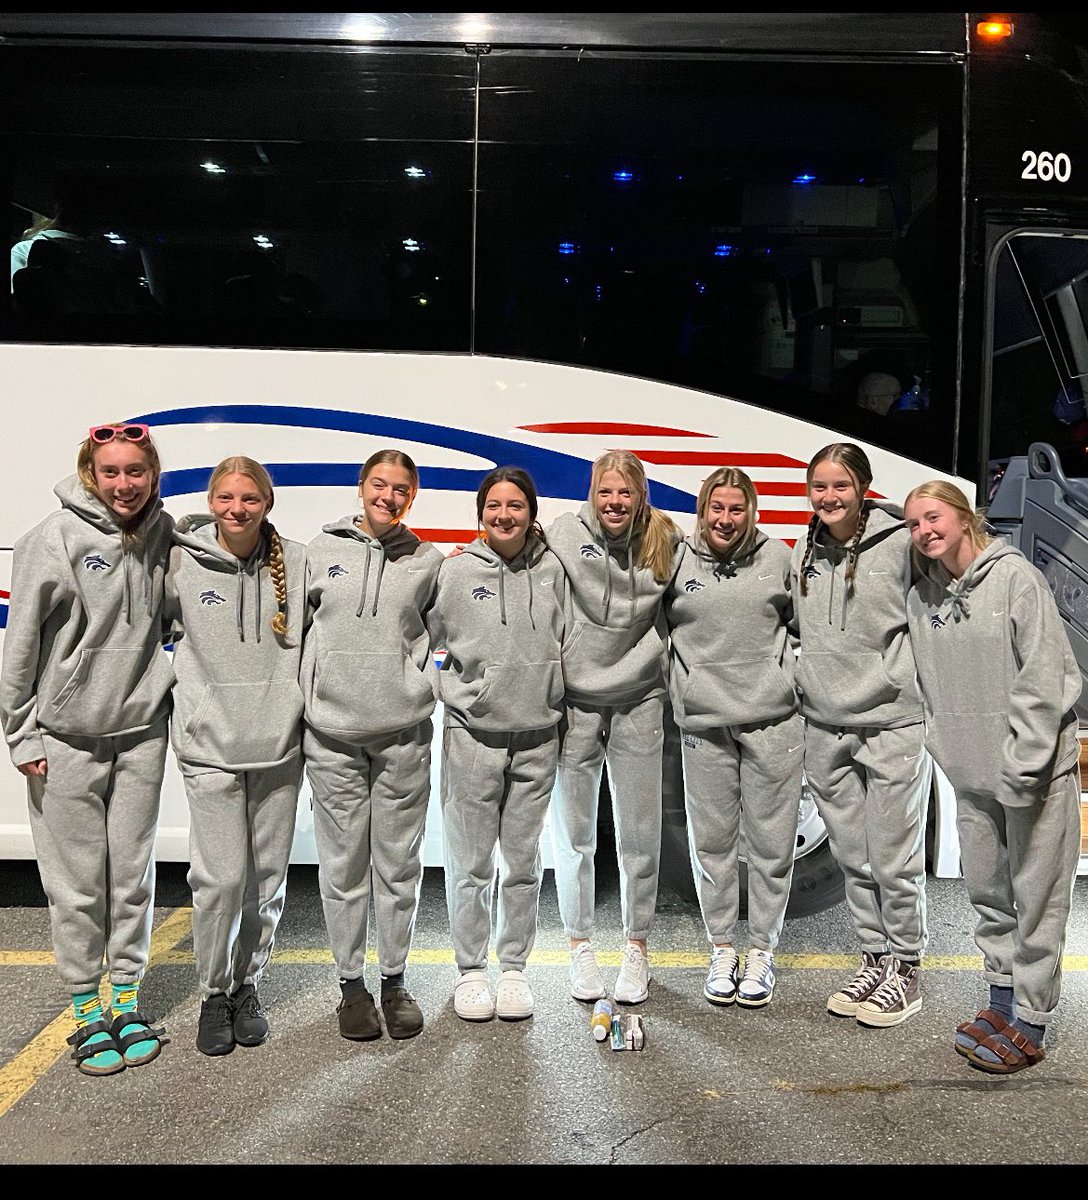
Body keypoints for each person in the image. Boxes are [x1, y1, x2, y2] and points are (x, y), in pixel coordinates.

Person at [0, 422, 174, 1076]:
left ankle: (126, 1001)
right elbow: (19, 653)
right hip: (64, 743)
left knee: (130, 881)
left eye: (136, 471)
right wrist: (22, 735)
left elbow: (182, 620)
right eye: (111, 472)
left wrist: (168, 678)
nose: (124, 484)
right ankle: (84, 1012)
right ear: (90, 474)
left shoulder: (164, 535)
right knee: (76, 888)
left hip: (138, 738)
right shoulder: (53, 539)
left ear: (153, 473)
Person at [904, 480, 1082, 1074]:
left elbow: (1047, 677)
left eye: (933, 517)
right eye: (913, 524)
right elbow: (922, 677)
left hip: (1033, 774)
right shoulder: (923, 596)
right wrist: (943, 742)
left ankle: (1030, 1017)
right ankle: (1001, 1000)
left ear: (963, 516)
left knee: (1038, 899)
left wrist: (1026, 763)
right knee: (989, 896)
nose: (924, 531)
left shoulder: (1015, 580)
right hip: (971, 770)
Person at [165, 456, 306, 1057]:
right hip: (209, 747)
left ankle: (248, 984)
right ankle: (213, 992)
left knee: (266, 881)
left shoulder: (296, 562)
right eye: (226, 497)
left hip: (278, 744)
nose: (237, 509)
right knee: (220, 880)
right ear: (212, 500)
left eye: (249, 498)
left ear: (266, 503)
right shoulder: (180, 561)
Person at [302, 449, 443, 1041]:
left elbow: (457, 630)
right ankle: (350, 986)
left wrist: (424, 685)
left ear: (412, 497)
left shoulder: (428, 561)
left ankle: (393, 979)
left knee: (398, 867)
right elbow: (293, 634)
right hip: (331, 737)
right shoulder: (319, 551)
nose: (388, 496)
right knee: (342, 868)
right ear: (361, 487)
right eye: (379, 485)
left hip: (402, 738)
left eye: (401, 489)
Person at [791, 442, 928, 1027]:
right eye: (818, 486)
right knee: (853, 855)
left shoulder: (901, 542)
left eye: (839, 486)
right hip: (825, 723)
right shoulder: (805, 547)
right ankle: (874, 956)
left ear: (864, 488)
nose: (828, 497)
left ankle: (907, 968)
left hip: (891, 719)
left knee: (894, 856)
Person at [428, 467, 567, 1022]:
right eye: (494, 506)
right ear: (480, 513)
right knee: (469, 863)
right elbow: (420, 636)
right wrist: (451, 689)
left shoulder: (555, 569)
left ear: (532, 513)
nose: (504, 515)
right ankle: (470, 971)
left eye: (516, 506)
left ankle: (513, 969)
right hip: (472, 735)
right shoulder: (455, 572)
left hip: (537, 735)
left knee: (524, 862)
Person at [545, 450, 682, 1005]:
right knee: (575, 834)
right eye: (606, 491)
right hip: (577, 702)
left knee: (638, 832)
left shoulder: (666, 540)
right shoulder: (562, 533)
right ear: (592, 493)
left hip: (640, 699)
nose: (615, 502)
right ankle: (579, 945)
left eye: (625, 493)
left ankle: (636, 947)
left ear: (640, 495)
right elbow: (513, 558)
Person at [665, 467, 802, 1008]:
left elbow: (807, 626)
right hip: (704, 724)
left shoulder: (778, 559)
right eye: (716, 509)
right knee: (713, 846)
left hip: (773, 723)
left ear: (753, 511)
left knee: (771, 847)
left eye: (736, 509)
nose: (725, 519)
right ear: (703, 511)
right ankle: (723, 948)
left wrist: (783, 678)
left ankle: (762, 951)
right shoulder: (678, 558)